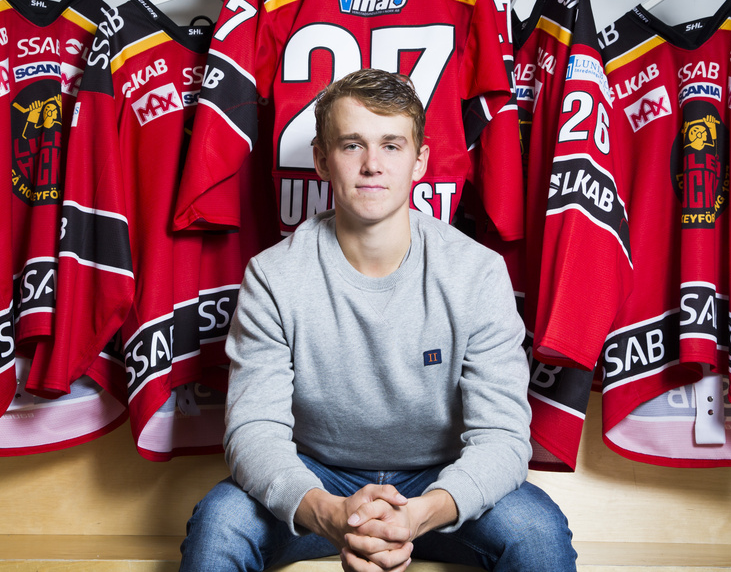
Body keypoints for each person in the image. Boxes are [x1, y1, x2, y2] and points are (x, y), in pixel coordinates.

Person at [179, 69, 578, 572]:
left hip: (441, 481)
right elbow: (254, 431)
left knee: (537, 530)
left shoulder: (476, 272)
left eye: (391, 145)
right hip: (318, 477)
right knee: (220, 522)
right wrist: (330, 513)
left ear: (419, 161)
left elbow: (502, 438)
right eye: (352, 145)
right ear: (322, 160)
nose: (372, 165)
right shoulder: (274, 276)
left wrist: (421, 514)